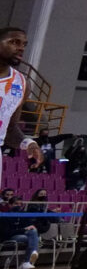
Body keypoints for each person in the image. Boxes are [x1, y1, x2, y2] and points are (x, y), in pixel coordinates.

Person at [1, 27, 40, 168]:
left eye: (24, 44)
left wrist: (28, 143)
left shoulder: (22, 83)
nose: (21, 48)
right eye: (14, 42)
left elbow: (10, 129)